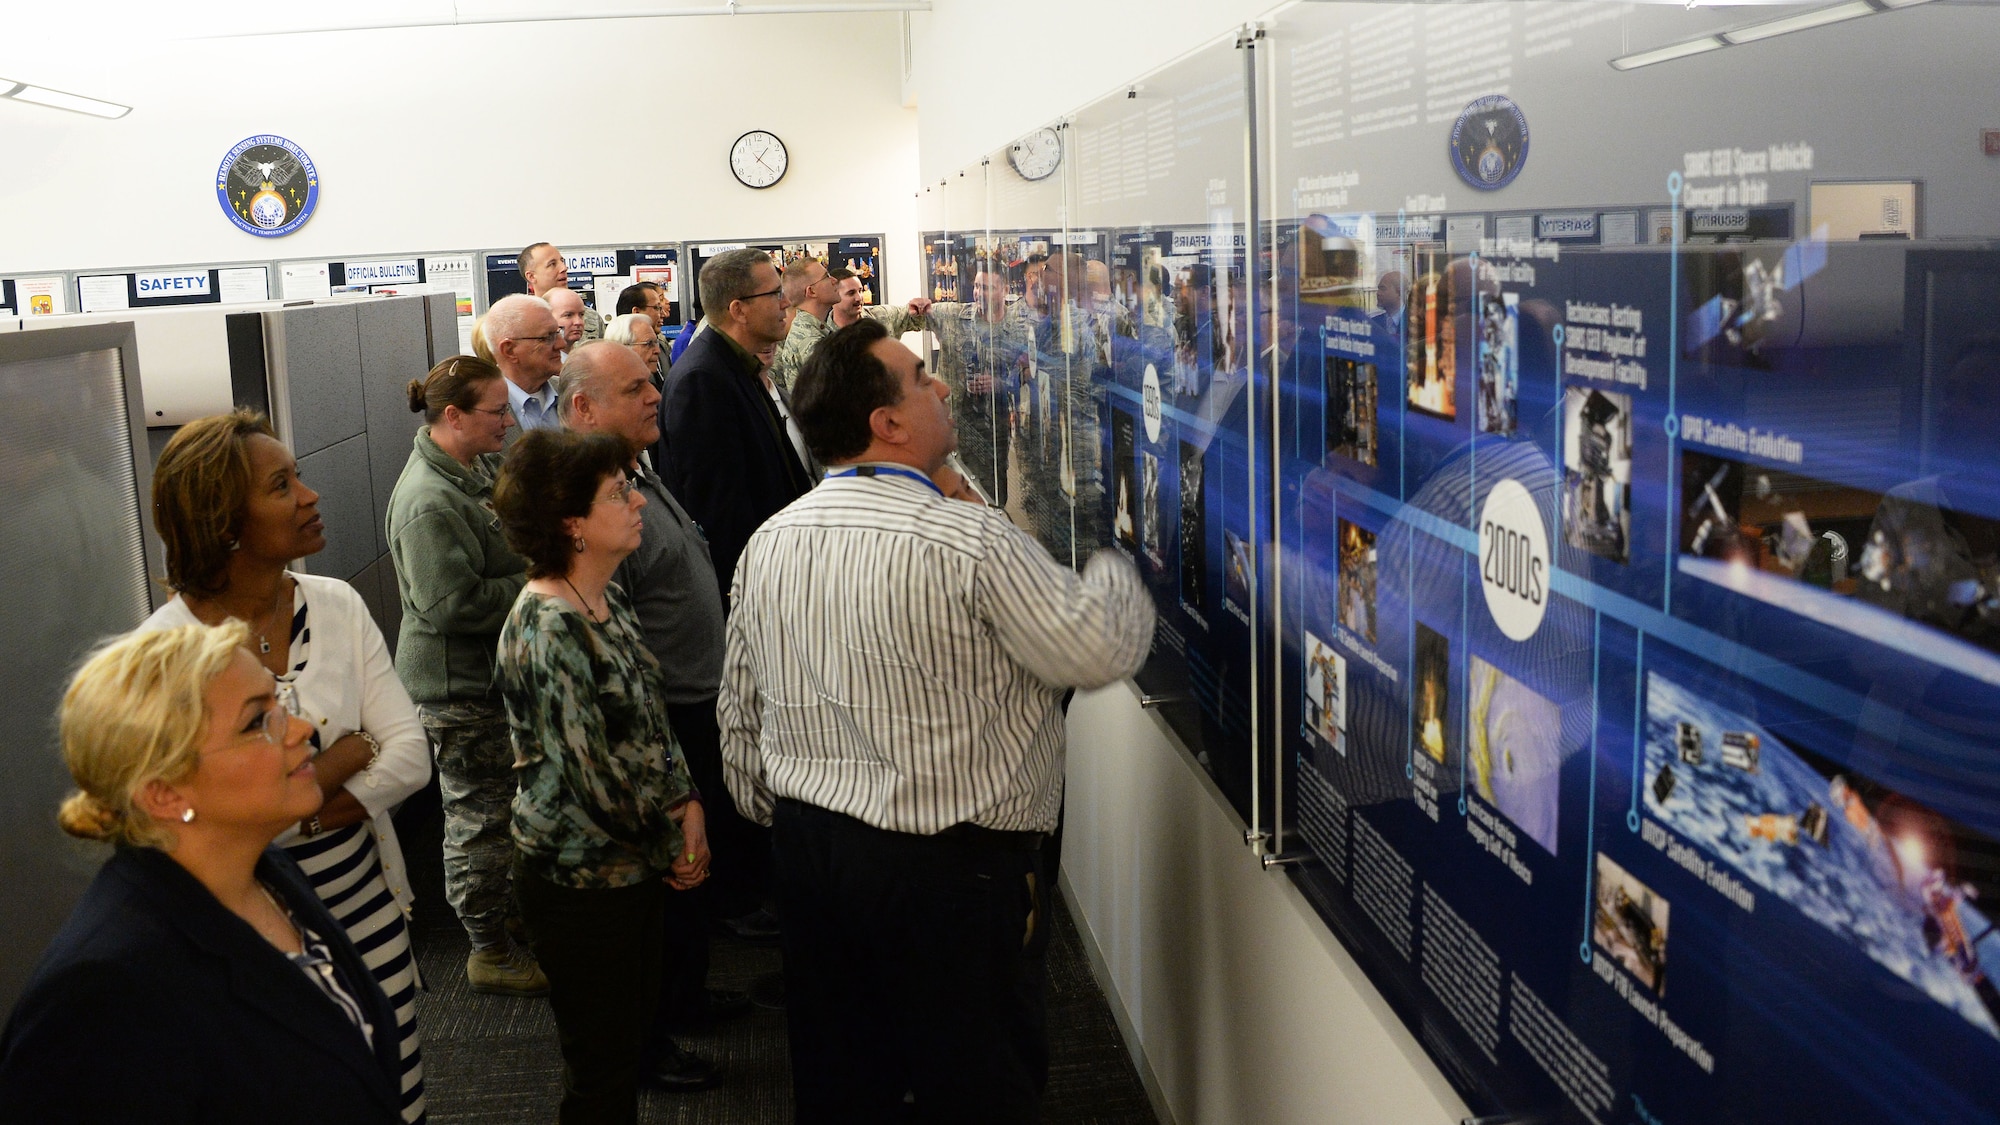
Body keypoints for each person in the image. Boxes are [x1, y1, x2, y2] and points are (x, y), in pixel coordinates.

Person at [718, 319, 1156, 1122]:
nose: (943, 385)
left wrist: (791, 817)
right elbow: (1102, 648)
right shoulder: (971, 541)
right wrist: (1109, 553)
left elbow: (740, 713)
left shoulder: (770, 541)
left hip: (812, 856)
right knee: (977, 1079)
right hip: (952, 875)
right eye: (921, 378)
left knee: (845, 1077)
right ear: (885, 423)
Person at [140, 411, 432, 1122]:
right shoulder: (167, 652)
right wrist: (340, 759)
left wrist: (285, 802)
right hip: (250, 931)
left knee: (398, 1096)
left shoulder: (335, 604)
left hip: (369, 909)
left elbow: (408, 754)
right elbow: (188, 820)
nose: (310, 495)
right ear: (225, 520)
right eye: (282, 484)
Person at [0, 622, 407, 1124]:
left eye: (280, 705)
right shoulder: (105, 994)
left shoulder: (264, 873)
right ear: (164, 793)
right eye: (258, 721)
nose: (302, 729)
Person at [493, 429, 711, 1124]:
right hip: (582, 881)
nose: (637, 498)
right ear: (571, 524)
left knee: (623, 1047)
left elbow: (649, 717)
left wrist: (688, 801)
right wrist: (669, 844)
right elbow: (593, 778)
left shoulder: (599, 597)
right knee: (602, 1073)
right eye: (618, 492)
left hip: (630, 866)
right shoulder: (549, 625)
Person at [559, 341, 752, 1089]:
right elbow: (619, 623)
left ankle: (687, 997)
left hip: (693, 702)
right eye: (634, 386)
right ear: (584, 407)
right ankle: (656, 1033)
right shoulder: (590, 500)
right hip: (661, 713)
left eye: (651, 383)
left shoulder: (632, 470)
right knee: (665, 879)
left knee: (691, 875)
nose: (654, 395)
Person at [384, 356, 546, 998]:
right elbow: (451, 606)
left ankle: (503, 923)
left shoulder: (468, 470)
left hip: (490, 680)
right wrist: (536, 578)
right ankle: (488, 951)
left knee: (503, 814)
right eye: (496, 412)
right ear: (453, 417)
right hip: (460, 691)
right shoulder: (429, 499)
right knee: (479, 822)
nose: (508, 420)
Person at [657, 247, 816, 603]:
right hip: (755, 588)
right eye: (774, 294)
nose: (785, 305)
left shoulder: (735, 366)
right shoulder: (704, 379)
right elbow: (719, 512)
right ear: (738, 309)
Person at [486, 293, 566, 433]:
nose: (561, 344)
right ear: (509, 350)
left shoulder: (570, 392)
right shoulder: (479, 408)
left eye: (558, 333)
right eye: (548, 337)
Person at [768, 257, 839, 393]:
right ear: (811, 291)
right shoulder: (809, 341)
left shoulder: (817, 329)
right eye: (826, 276)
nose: (834, 280)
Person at [520, 242, 604, 342]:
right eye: (552, 264)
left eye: (562, 261)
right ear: (531, 276)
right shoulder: (521, 321)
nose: (564, 268)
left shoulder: (591, 317)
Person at [603, 312, 663, 379]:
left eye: (656, 342)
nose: (658, 351)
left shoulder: (655, 382)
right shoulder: (606, 387)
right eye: (649, 344)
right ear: (623, 348)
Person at [546, 287, 589, 355]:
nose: (578, 322)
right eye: (568, 315)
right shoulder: (538, 363)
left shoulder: (586, 360)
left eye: (581, 315)